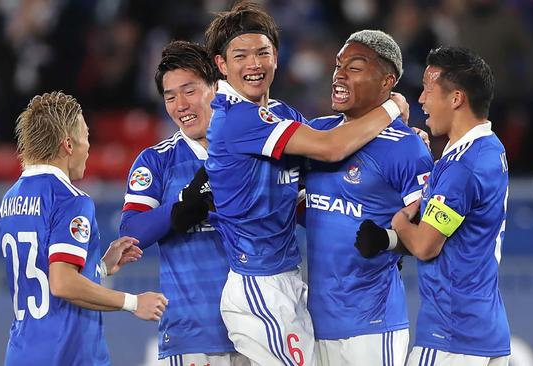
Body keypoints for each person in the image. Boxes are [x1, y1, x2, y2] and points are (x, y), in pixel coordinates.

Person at [200, 2, 408, 364]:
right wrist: (391, 109)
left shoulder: (279, 114)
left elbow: (333, 151)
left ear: (276, 57)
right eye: (241, 55)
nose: (254, 64)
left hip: (289, 279)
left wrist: (402, 137)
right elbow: (331, 147)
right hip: (258, 285)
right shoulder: (236, 120)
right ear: (221, 65)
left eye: (262, 53)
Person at [354, 46, 511, 365]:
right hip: (486, 333)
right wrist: (389, 241)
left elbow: (426, 246)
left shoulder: (463, 167)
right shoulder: (487, 149)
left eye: (427, 90)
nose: (421, 100)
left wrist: (399, 223)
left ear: (456, 99)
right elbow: (454, 235)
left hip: (450, 334)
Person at [0, 91, 168, 366]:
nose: (89, 146)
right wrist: (134, 303)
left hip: (21, 353)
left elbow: (40, 272)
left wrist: (97, 268)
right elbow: (62, 283)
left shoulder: (10, 200)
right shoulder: (70, 199)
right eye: (86, 136)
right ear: (67, 144)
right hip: (68, 354)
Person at [304, 30, 434, 366]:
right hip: (313, 324)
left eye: (355, 67)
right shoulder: (316, 133)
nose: (340, 75)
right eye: (338, 66)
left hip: (372, 326)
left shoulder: (406, 148)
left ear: (387, 81)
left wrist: (387, 239)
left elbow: (431, 235)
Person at [118, 41, 249, 366]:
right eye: (170, 96)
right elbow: (131, 232)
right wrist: (182, 206)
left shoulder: (253, 147)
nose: (180, 105)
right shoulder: (156, 161)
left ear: (215, 87)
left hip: (261, 331)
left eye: (189, 91)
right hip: (192, 335)